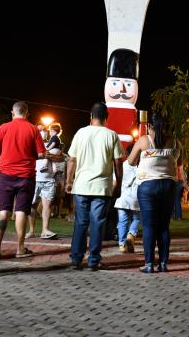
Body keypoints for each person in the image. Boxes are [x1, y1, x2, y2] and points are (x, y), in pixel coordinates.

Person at [66, 102, 124, 270]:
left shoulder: (80, 133)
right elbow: (118, 161)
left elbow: (72, 160)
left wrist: (69, 181)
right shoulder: (111, 135)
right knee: (97, 223)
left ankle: (76, 259)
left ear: (90, 116)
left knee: (81, 223)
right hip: (102, 187)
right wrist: (118, 182)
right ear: (106, 118)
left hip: (82, 185)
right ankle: (93, 260)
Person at [0, 101, 47, 259]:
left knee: (4, 211)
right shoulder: (33, 129)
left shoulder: (4, 127)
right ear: (27, 113)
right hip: (26, 176)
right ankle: (20, 249)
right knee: (21, 211)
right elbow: (41, 154)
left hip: (6, 175)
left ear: (12, 113)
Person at [126, 112, 180, 273]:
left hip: (148, 186)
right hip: (169, 186)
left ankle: (149, 264)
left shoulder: (144, 140)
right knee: (164, 226)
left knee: (149, 226)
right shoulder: (176, 142)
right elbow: (179, 162)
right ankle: (163, 263)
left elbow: (130, 161)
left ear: (149, 126)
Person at [27, 123, 64, 239]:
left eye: (44, 130)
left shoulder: (50, 144)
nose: (43, 132)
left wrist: (46, 155)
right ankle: (32, 231)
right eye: (40, 130)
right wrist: (43, 155)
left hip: (49, 180)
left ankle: (45, 230)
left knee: (47, 206)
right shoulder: (31, 143)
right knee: (31, 206)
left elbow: (61, 157)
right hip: (34, 179)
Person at [114, 156, 140, 253]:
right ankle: (131, 234)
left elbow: (115, 181)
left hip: (122, 198)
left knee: (122, 221)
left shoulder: (122, 165)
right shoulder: (140, 166)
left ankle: (122, 244)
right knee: (137, 219)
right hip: (136, 198)